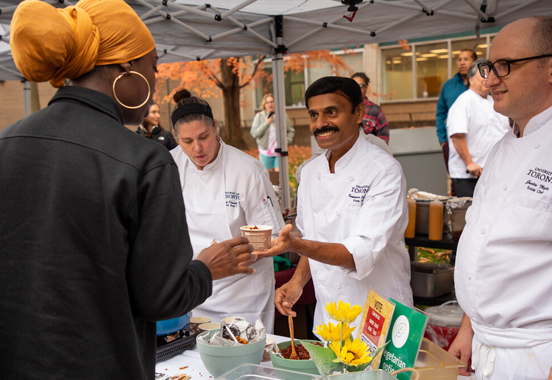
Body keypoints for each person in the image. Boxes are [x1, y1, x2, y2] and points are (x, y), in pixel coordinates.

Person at [0, 1, 255, 378]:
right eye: (153, 67)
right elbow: (162, 296)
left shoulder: (7, 144)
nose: (155, 83)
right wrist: (205, 269)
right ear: (126, 67)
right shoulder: (143, 160)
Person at [256, 76, 413, 331]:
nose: (320, 124)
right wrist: (297, 281)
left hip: (378, 313)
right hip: (330, 314)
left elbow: (358, 254)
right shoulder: (309, 172)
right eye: (314, 115)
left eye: (331, 112)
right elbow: (313, 236)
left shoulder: (384, 171)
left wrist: (296, 244)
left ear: (359, 112)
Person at [449, 16, 552, 380]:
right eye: (489, 67)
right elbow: (483, 243)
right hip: (486, 347)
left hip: (538, 354)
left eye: (505, 67)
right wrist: (468, 326)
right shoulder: (500, 148)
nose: (490, 80)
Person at [170, 89, 285, 332]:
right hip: (193, 290)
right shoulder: (170, 165)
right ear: (175, 138)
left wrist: (231, 255)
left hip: (243, 295)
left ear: (216, 127)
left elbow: (271, 238)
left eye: (204, 137)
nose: (197, 148)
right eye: (187, 142)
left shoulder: (247, 170)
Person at [447, 59, 510, 197]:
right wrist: (469, 163)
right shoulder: (463, 102)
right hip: (468, 175)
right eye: (483, 75)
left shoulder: (494, 102)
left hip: (493, 171)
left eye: (489, 75)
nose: (487, 79)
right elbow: (457, 136)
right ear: (471, 79)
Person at [436, 49, 477, 195]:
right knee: (456, 183)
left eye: (466, 59)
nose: (462, 62)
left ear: (474, 62)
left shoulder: (483, 86)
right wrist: (443, 140)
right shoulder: (449, 86)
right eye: (459, 59)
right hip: (453, 142)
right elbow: (440, 114)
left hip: (477, 145)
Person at [250, 93, 295, 172]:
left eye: (272, 101)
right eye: (267, 102)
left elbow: (290, 130)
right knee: (270, 178)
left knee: (280, 176)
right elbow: (254, 133)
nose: (270, 104)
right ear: (264, 104)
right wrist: (266, 123)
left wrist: (286, 141)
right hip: (265, 152)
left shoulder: (282, 116)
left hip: (279, 151)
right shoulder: (259, 116)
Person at [352, 72, 390, 144]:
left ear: (366, 88)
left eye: (361, 86)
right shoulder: (346, 109)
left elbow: (384, 138)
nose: (357, 89)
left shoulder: (375, 110)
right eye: (354, 86)